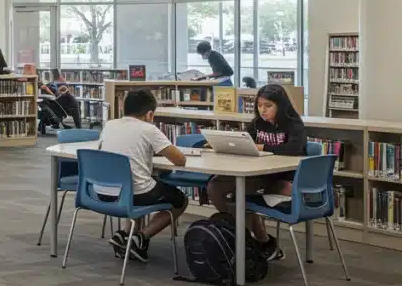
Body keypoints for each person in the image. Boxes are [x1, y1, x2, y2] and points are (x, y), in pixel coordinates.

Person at [207, 83, 306, 261]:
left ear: (281, 106)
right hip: (257, 173)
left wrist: (262, 146)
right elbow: (246, 143)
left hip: (282, 178)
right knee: (215, 186)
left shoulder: (294, 124)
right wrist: (227, 144)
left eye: (268, 106)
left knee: (242, 198)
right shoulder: (257, 123)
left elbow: (293, 149)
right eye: (259, 105)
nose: (263, 110)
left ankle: (253, 240)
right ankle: (241, 233)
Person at [97, 89, 188, 262]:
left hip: (106, 192)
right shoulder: (149, 129)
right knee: (180, 200)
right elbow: (180, 160)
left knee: (139, 182)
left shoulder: (110, 125)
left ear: (124, 108)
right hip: (135, 194)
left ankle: (124, 234)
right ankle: (140, 238)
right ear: (149, 114)